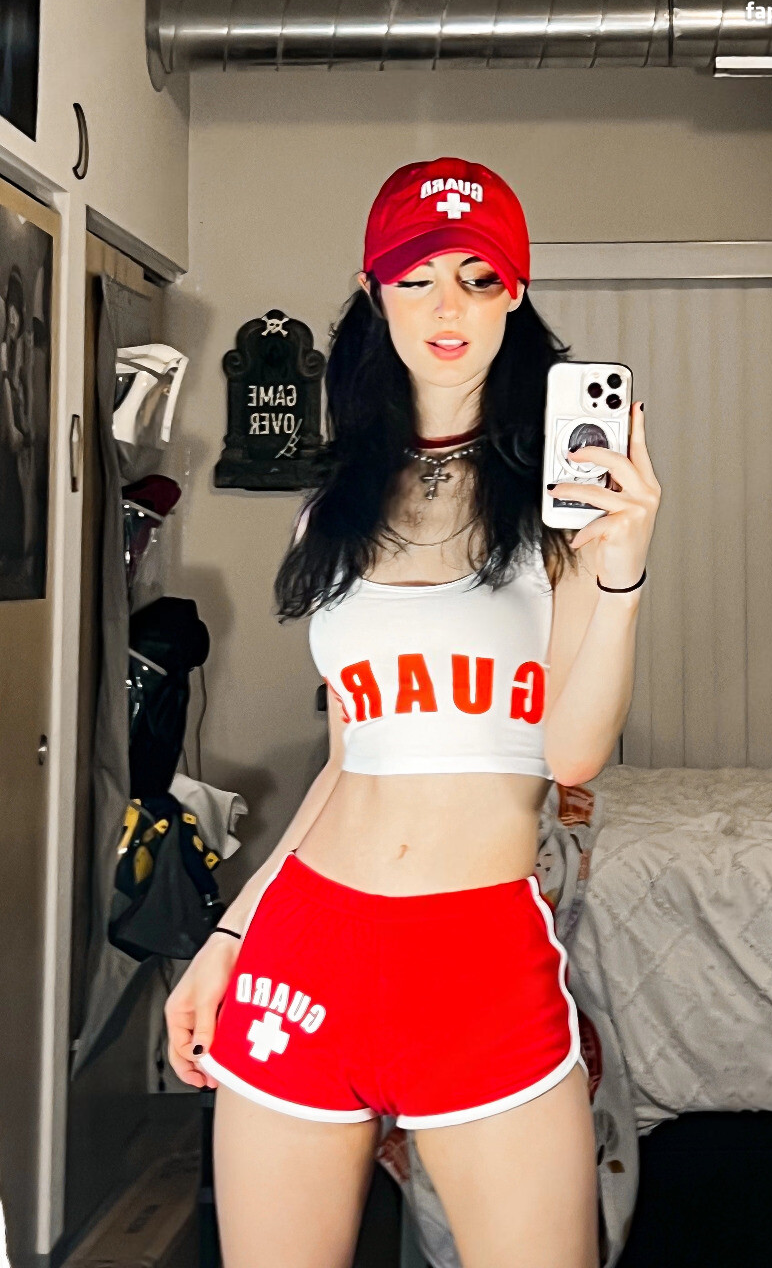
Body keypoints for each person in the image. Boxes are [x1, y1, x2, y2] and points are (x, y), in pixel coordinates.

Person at [165, 156, 661, 1268]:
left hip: (477, 957)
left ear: (515, 295)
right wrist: (230, 936)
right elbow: (353, 758)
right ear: (373, 290)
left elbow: (573, 753)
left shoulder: (565, 500)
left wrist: (623, 569)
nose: (449, 308)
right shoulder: (332, 507)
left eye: (480, 279)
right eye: (418, 277)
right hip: (308, 946)